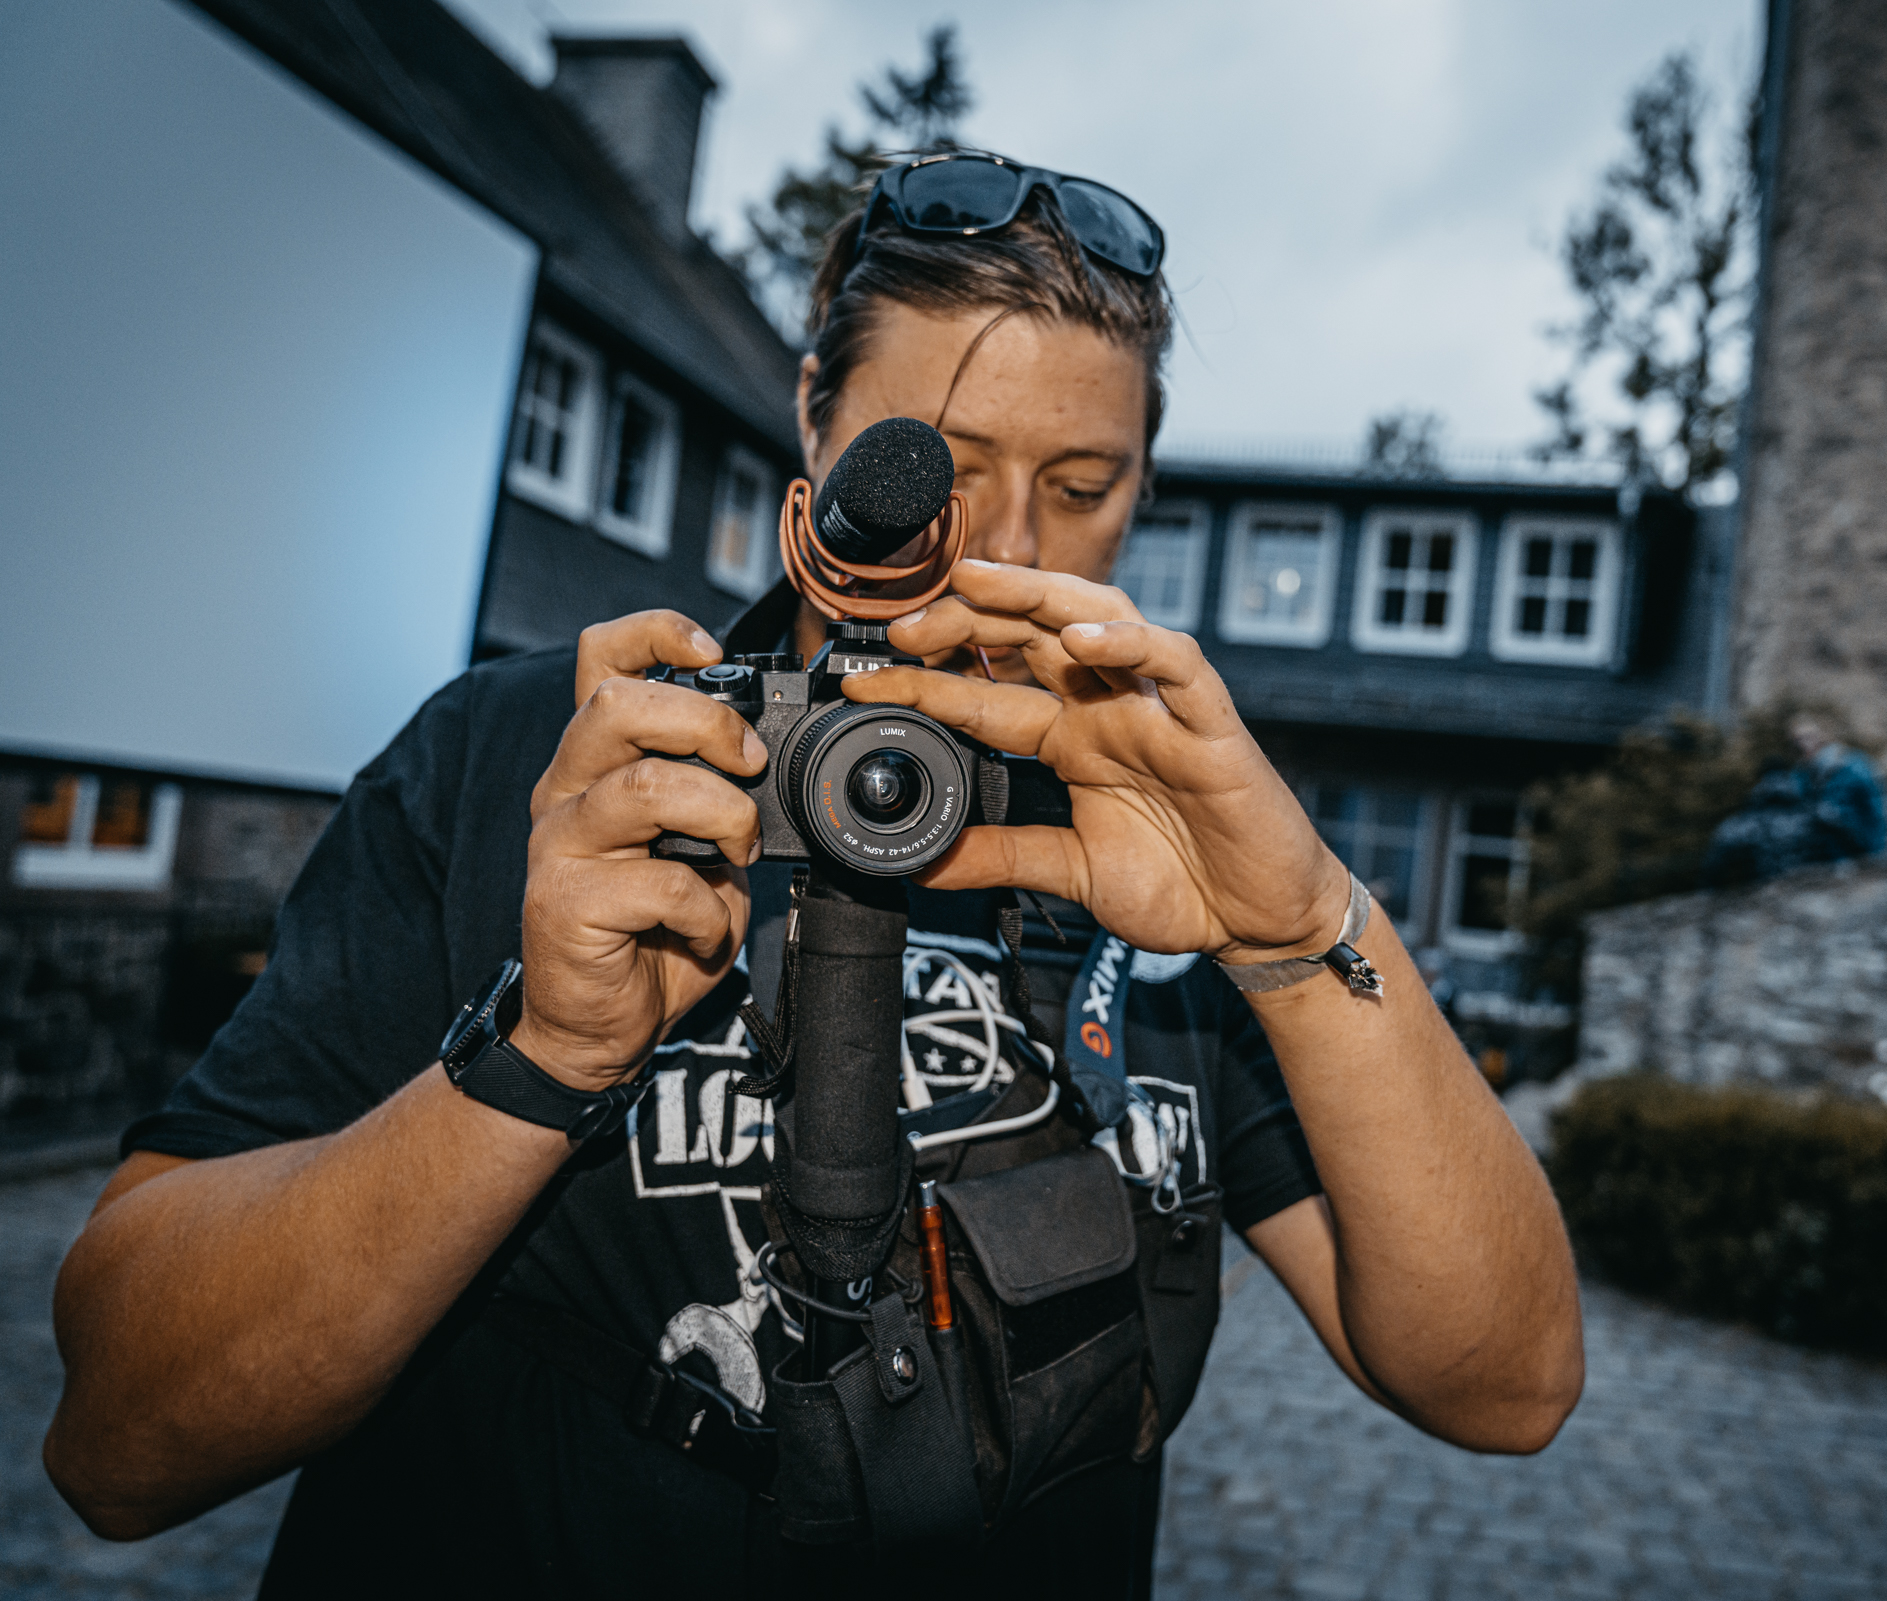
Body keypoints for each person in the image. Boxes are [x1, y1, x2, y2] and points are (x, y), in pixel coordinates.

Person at [42, 154, 1583, 1597]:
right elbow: (121, 1440)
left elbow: (1505, 1388)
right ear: (812, 418)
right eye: (937, 466)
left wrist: (1300, 933)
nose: (1008, 552)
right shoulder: (530, 762)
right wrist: (538, 1061)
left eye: (1084, 484)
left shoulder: (1169, 835)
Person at [1701, 714, 1887, 885]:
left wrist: (1877, 850)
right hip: (1828, 857)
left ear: (1822, 736)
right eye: (1797, 740)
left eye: (1808, 736)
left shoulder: (1852, 765)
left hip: (1860, 847)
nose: (1803, 744)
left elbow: (1874, 809)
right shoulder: (1801, 775)